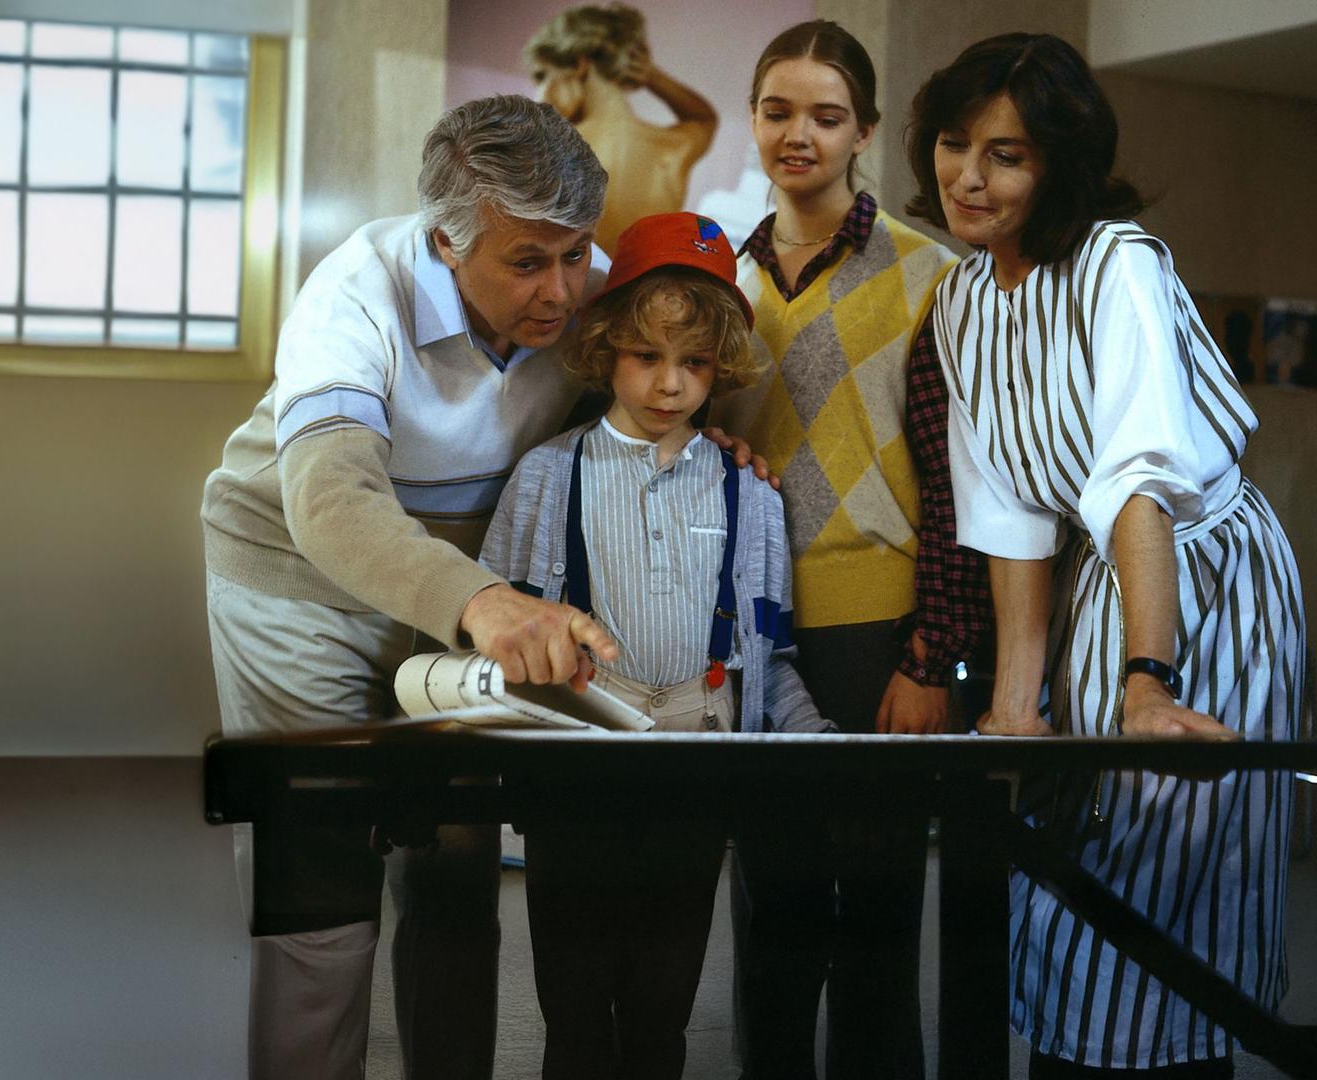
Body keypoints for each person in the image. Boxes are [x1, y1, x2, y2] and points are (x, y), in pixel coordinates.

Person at [201, 95, 767, 1080]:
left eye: (576, 252)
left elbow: (640, 398)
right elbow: (331, 501)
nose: (562, 290)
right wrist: (485, 604)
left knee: (455, 862)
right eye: (526, 262)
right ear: (445, 245)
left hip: (466, 591)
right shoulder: (353, 298)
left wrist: (698, 440)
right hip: (301, 584)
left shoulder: (578, 291)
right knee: (322, 873)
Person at [908, 33, 1304, 1077]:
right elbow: (1006, 520)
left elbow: (1138, 479)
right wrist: (1014, 709)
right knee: (1060, 847)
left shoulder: (1116, 259)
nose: (970, 176)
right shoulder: (958, 300)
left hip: (1200, 579)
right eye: (955, 144)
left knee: (1166, 862)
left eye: (1009, 154)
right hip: (1095, 577)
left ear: (1059, 167)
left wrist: (1147, 678)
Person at [479, 211, 830, 1078]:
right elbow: (497, 632)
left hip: (695, 769)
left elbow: (768, 657)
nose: (671, 384)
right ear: (605, 349)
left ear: (722, 368)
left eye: (696, 363)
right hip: (574, 773)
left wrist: (819, 743)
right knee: (572, 1000)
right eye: (646, 355)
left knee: (663, 1004)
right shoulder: (544, 475)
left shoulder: (752, 496)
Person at [707, 20, 992, 1080]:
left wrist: (934, 653)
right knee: (772, 911)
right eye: (778, 111)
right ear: (752, 118)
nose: (799, 134)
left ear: (864, 130)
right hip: (754, 624)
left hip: (883, 628)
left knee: (877, 916)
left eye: (826, 116)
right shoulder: (717, 280)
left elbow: (974, 482)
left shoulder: (933, 272)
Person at [525, 3, 717, 255]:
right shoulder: (672, 149)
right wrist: (652, 76)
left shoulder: (547, 150)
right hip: (643, 294)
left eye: (542, 76)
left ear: (578, 66)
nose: (537, 92)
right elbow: (704, 118)